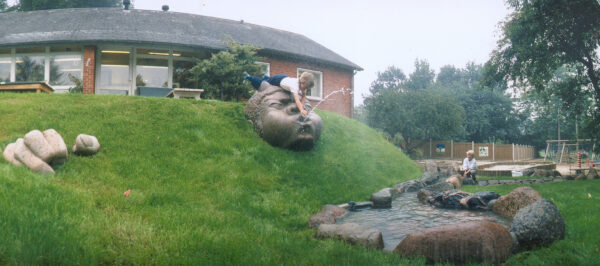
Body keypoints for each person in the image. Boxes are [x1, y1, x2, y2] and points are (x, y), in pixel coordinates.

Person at [245, 72, 315, 116]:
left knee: (269, 80)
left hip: (284, 77)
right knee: (266, 82)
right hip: (278, 80)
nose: (305, 89)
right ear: (302, 82)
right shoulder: (295, 86)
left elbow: (303, 96)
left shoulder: (303, 86)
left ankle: (265, 76)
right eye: (305, 87)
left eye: (307, 88)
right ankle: (250, 77)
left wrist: (302, 105)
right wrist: (301, 110)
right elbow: (297, 100)